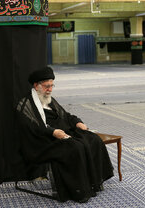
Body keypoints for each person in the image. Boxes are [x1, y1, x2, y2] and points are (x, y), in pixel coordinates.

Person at [15, 66, 114, 203]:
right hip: (43, 141)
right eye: (46, 86)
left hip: (63, 133)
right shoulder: (25, 104)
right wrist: (53, 132)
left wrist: (78, 122)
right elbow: (31, 127)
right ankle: (78, 190)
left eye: (51, 86)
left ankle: (94, 182)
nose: (50, 89)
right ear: (36, 85)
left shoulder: (49, 99)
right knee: (76, 147)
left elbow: (65, 116)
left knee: (93, 140)